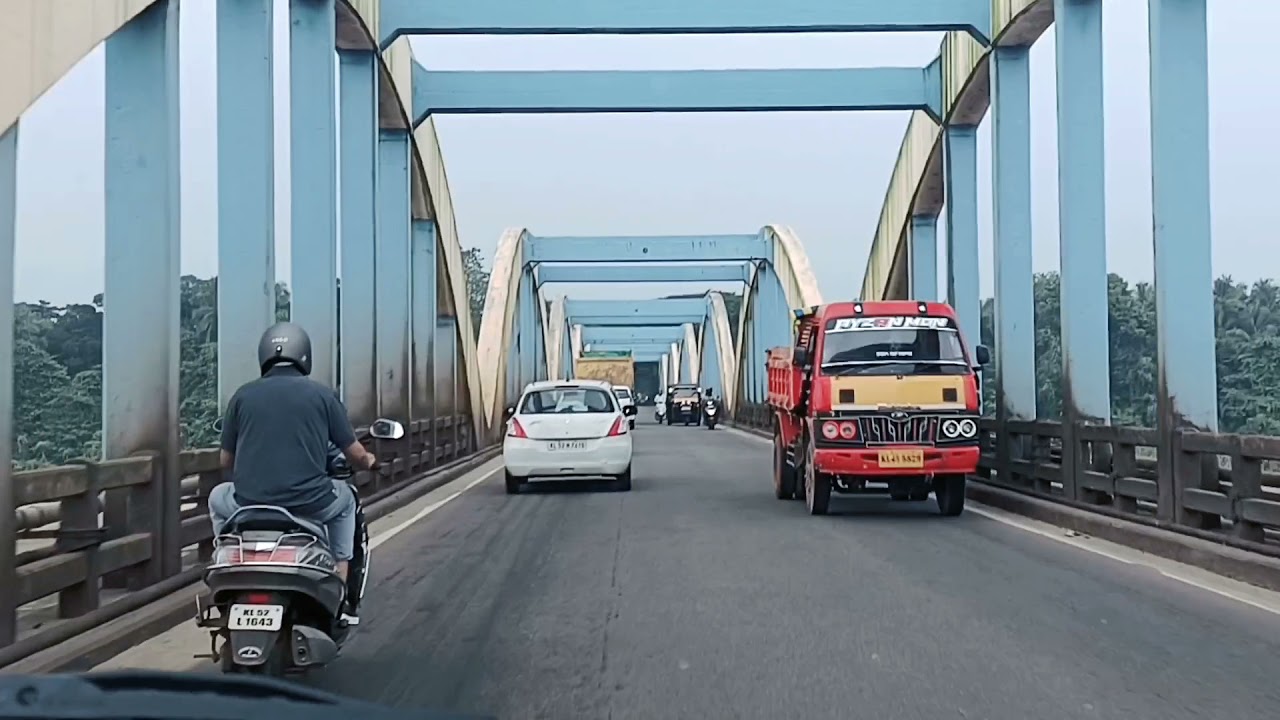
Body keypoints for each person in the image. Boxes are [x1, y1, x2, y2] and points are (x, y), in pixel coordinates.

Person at [208, 321, 378, 624]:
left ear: (264, 356)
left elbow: (225, 460)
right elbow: (354, 453)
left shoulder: (242, 396)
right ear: (304, 355)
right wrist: (369, 461)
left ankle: (226, 551)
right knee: (347, 501)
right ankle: (340, 582)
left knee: (217, 496)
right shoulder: (323, 396)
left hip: (249, 503)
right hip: (310, 503)